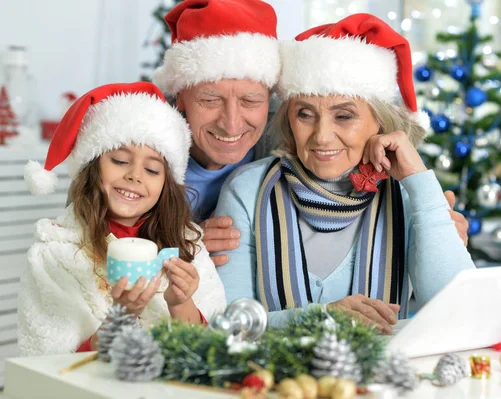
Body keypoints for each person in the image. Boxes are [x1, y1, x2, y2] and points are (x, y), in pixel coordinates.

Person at [153, 0, 469, 266]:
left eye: (251, 100)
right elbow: (105, 257)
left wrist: (437, 226)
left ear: (271, 97)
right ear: (179, 96)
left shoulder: (296, 138)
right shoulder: (143, 148)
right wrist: (168, 251)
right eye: (210, 100)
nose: (232, 123)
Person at [214, 14, 476, 333]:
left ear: (379, 121)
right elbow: (229, 323)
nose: (322, 136)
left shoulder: (410, 196)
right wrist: (323, 320)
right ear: (289, 120)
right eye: (305, 114)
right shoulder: (247, 190)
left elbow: (457, 313)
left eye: (344, 116)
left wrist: (420, 181)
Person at [18, 83, 226, 356]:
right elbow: (46, 367)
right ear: (93, 167)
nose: (135, 176)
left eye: (152, 169)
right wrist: (121, 317)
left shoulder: (189, 247)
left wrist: (181, 303)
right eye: (119, 160)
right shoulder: (54, 254)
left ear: (167, 183)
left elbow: (215, 356)